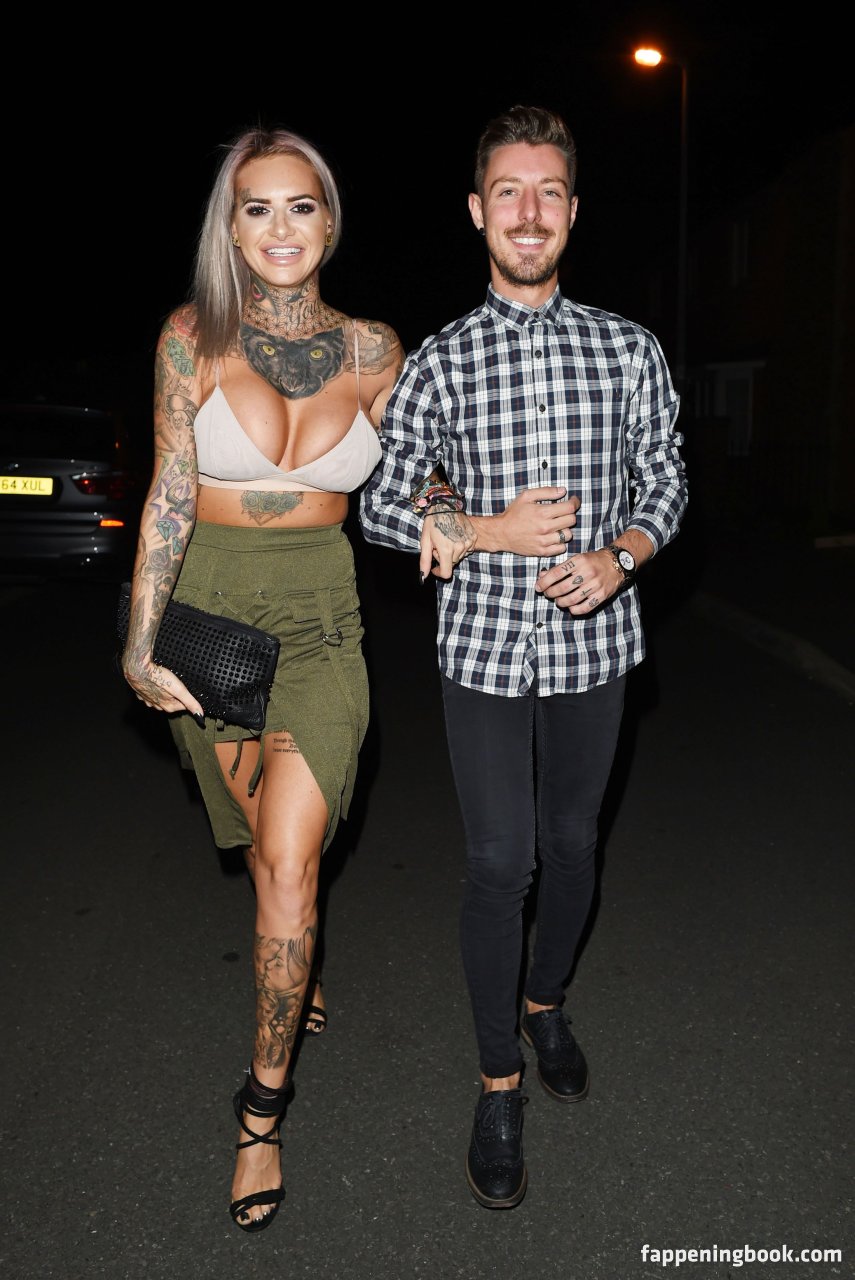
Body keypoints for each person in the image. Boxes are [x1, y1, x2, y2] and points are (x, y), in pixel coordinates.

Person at [359, 104, 688, 1210]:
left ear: (574, 210)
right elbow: (384, 502)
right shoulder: (442, 359)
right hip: (485, 650)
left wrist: (622, 555)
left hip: (597, 644)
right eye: (508, 190)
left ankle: (546, 1001)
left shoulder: (627, 347)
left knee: (572, 845)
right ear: (476, 210)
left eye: (548, 190)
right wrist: (482, 527)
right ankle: (497, 1077)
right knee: (502, 863)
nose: (529, 210)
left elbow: (666, 477)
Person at [121, 126, 403, 1231]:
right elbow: (170, 492)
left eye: (301, 205)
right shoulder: (191, 337)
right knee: (262, 847)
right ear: (230, 229)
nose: (280, 228)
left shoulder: (375, 349)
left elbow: (414, 471)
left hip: (325, 622)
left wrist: (452, 512)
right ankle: (303, 961)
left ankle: (260, 1114)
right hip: (211, 620)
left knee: (288, 864)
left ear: (329, 219)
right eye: (257, 208)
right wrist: (139, 643)